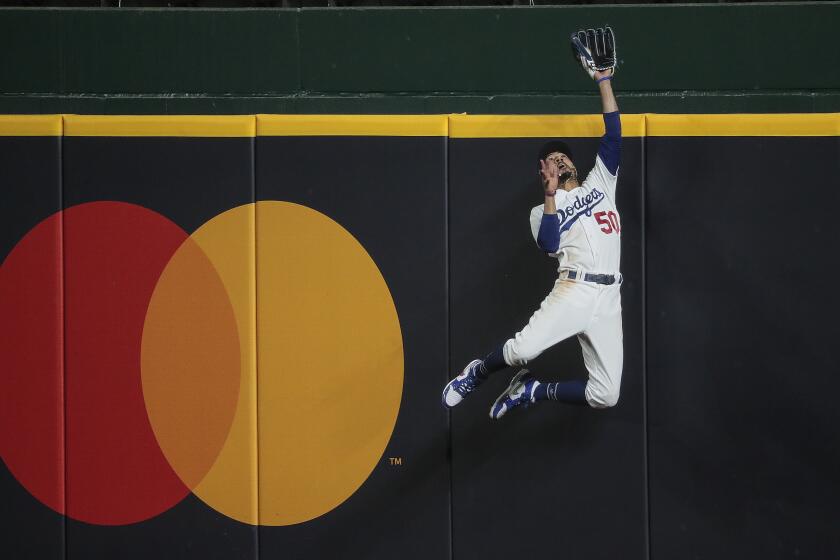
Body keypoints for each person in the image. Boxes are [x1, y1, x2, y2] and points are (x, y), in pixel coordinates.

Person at [442, 27, 623, 419]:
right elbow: (547, 244)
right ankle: (479, 370)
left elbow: (614, 136)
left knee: (607, 394)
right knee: (523, 349)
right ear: (546, 173)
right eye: (551, 161)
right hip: (573, 288)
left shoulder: (601, 182)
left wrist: (604, 81)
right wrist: (550, 194)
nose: (558, 162)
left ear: (574, 163)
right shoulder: (542, 210)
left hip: (609, 297)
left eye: (562, 157)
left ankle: (532, 390)